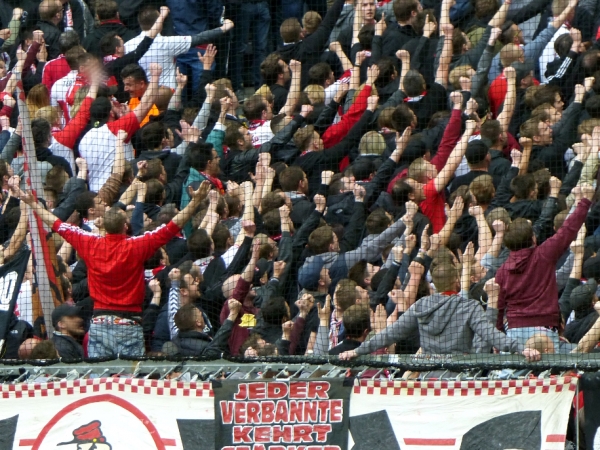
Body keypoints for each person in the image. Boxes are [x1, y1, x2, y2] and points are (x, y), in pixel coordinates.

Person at [18, 180, 212, 358]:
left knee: (100, 379)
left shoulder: (89, 243)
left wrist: (34, 205)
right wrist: (195, 202)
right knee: (130, 379)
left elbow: (57, 224)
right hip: (129, 324)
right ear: (126, 226)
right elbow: (171, 227)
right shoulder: (137, 245)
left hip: (99, 325)